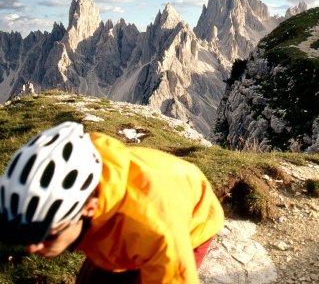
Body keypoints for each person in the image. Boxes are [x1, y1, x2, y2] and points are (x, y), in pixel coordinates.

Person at [0, 121, 224, 283]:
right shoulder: (90, 188)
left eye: (46, 233)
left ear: (88, 208)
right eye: (26, 231)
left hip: (195, 220)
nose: (32, 247)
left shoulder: (154, 230)